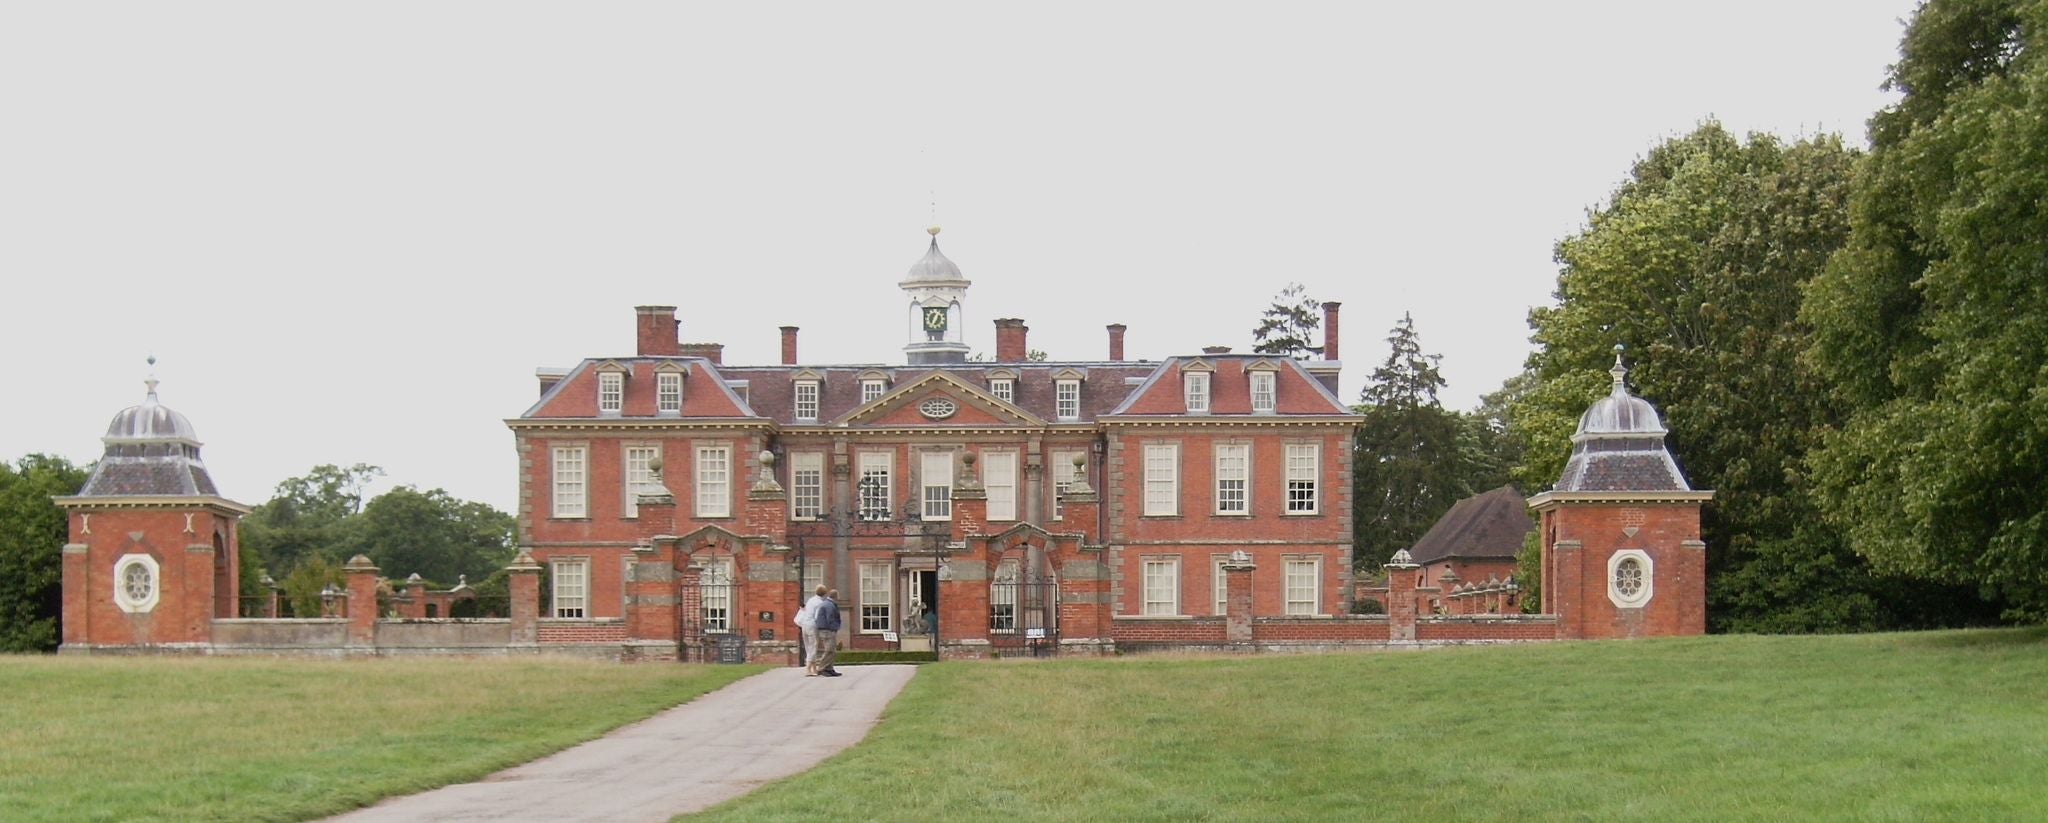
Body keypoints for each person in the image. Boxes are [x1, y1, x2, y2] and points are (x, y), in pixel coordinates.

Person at [812, 588, 843, 677]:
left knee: (832, 650)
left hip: (826, 629)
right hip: (827, 630)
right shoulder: (829, 605)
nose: (839, 597)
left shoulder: (828, 604)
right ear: (835, 596)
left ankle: (829, 668)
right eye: (838, 595)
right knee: (829, 650)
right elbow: (830, 618)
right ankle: (821, 668)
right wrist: (835, 628)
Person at [795, 584, 825, 676]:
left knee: (808, 647)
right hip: (812, 625)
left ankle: (814, 668)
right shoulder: (820, 603)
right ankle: (808, 669)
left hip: (804, 624)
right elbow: (817, 617)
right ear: (824, 594)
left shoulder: (811, 600)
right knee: (813, 647)